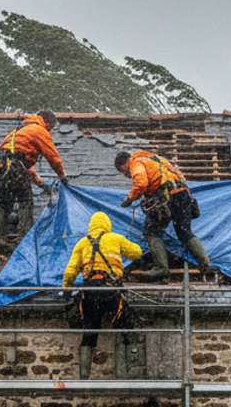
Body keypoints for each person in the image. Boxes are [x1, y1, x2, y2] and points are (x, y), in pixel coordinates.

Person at [62, 212, 142, 379]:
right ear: (107, 225)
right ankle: (133, 369)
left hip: (90, 294)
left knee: (91, 329)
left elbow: (69, 273)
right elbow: (137, 253)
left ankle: (84, 375)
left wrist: (66, 291)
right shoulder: (115, 238)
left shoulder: (82, 244)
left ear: (91, 226)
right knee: (126, 323)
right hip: (110, 291)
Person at [115, 150, 213, 281]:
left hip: (166, 196)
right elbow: (178, 177)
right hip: (183, 194)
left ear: (124, 163)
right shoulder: (156, 159)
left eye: (124, 171)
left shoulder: (136, 162)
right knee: (184, 232)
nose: (127, 175)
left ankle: (161, 268)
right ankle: (205, 265)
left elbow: (141, 184)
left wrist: (129, 198)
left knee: (151, 231)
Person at [0, 110, 69, 253]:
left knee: (6, 202)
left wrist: (42, 185)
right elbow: (52, 156)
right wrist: (62, 176)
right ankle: (25, 238)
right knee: (26, 201)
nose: (50, 131)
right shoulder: (39, 130)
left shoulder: (20, 131)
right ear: (47, 122)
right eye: (51, 128)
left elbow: (25, 169)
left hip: (1, 166)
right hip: (12, 165)